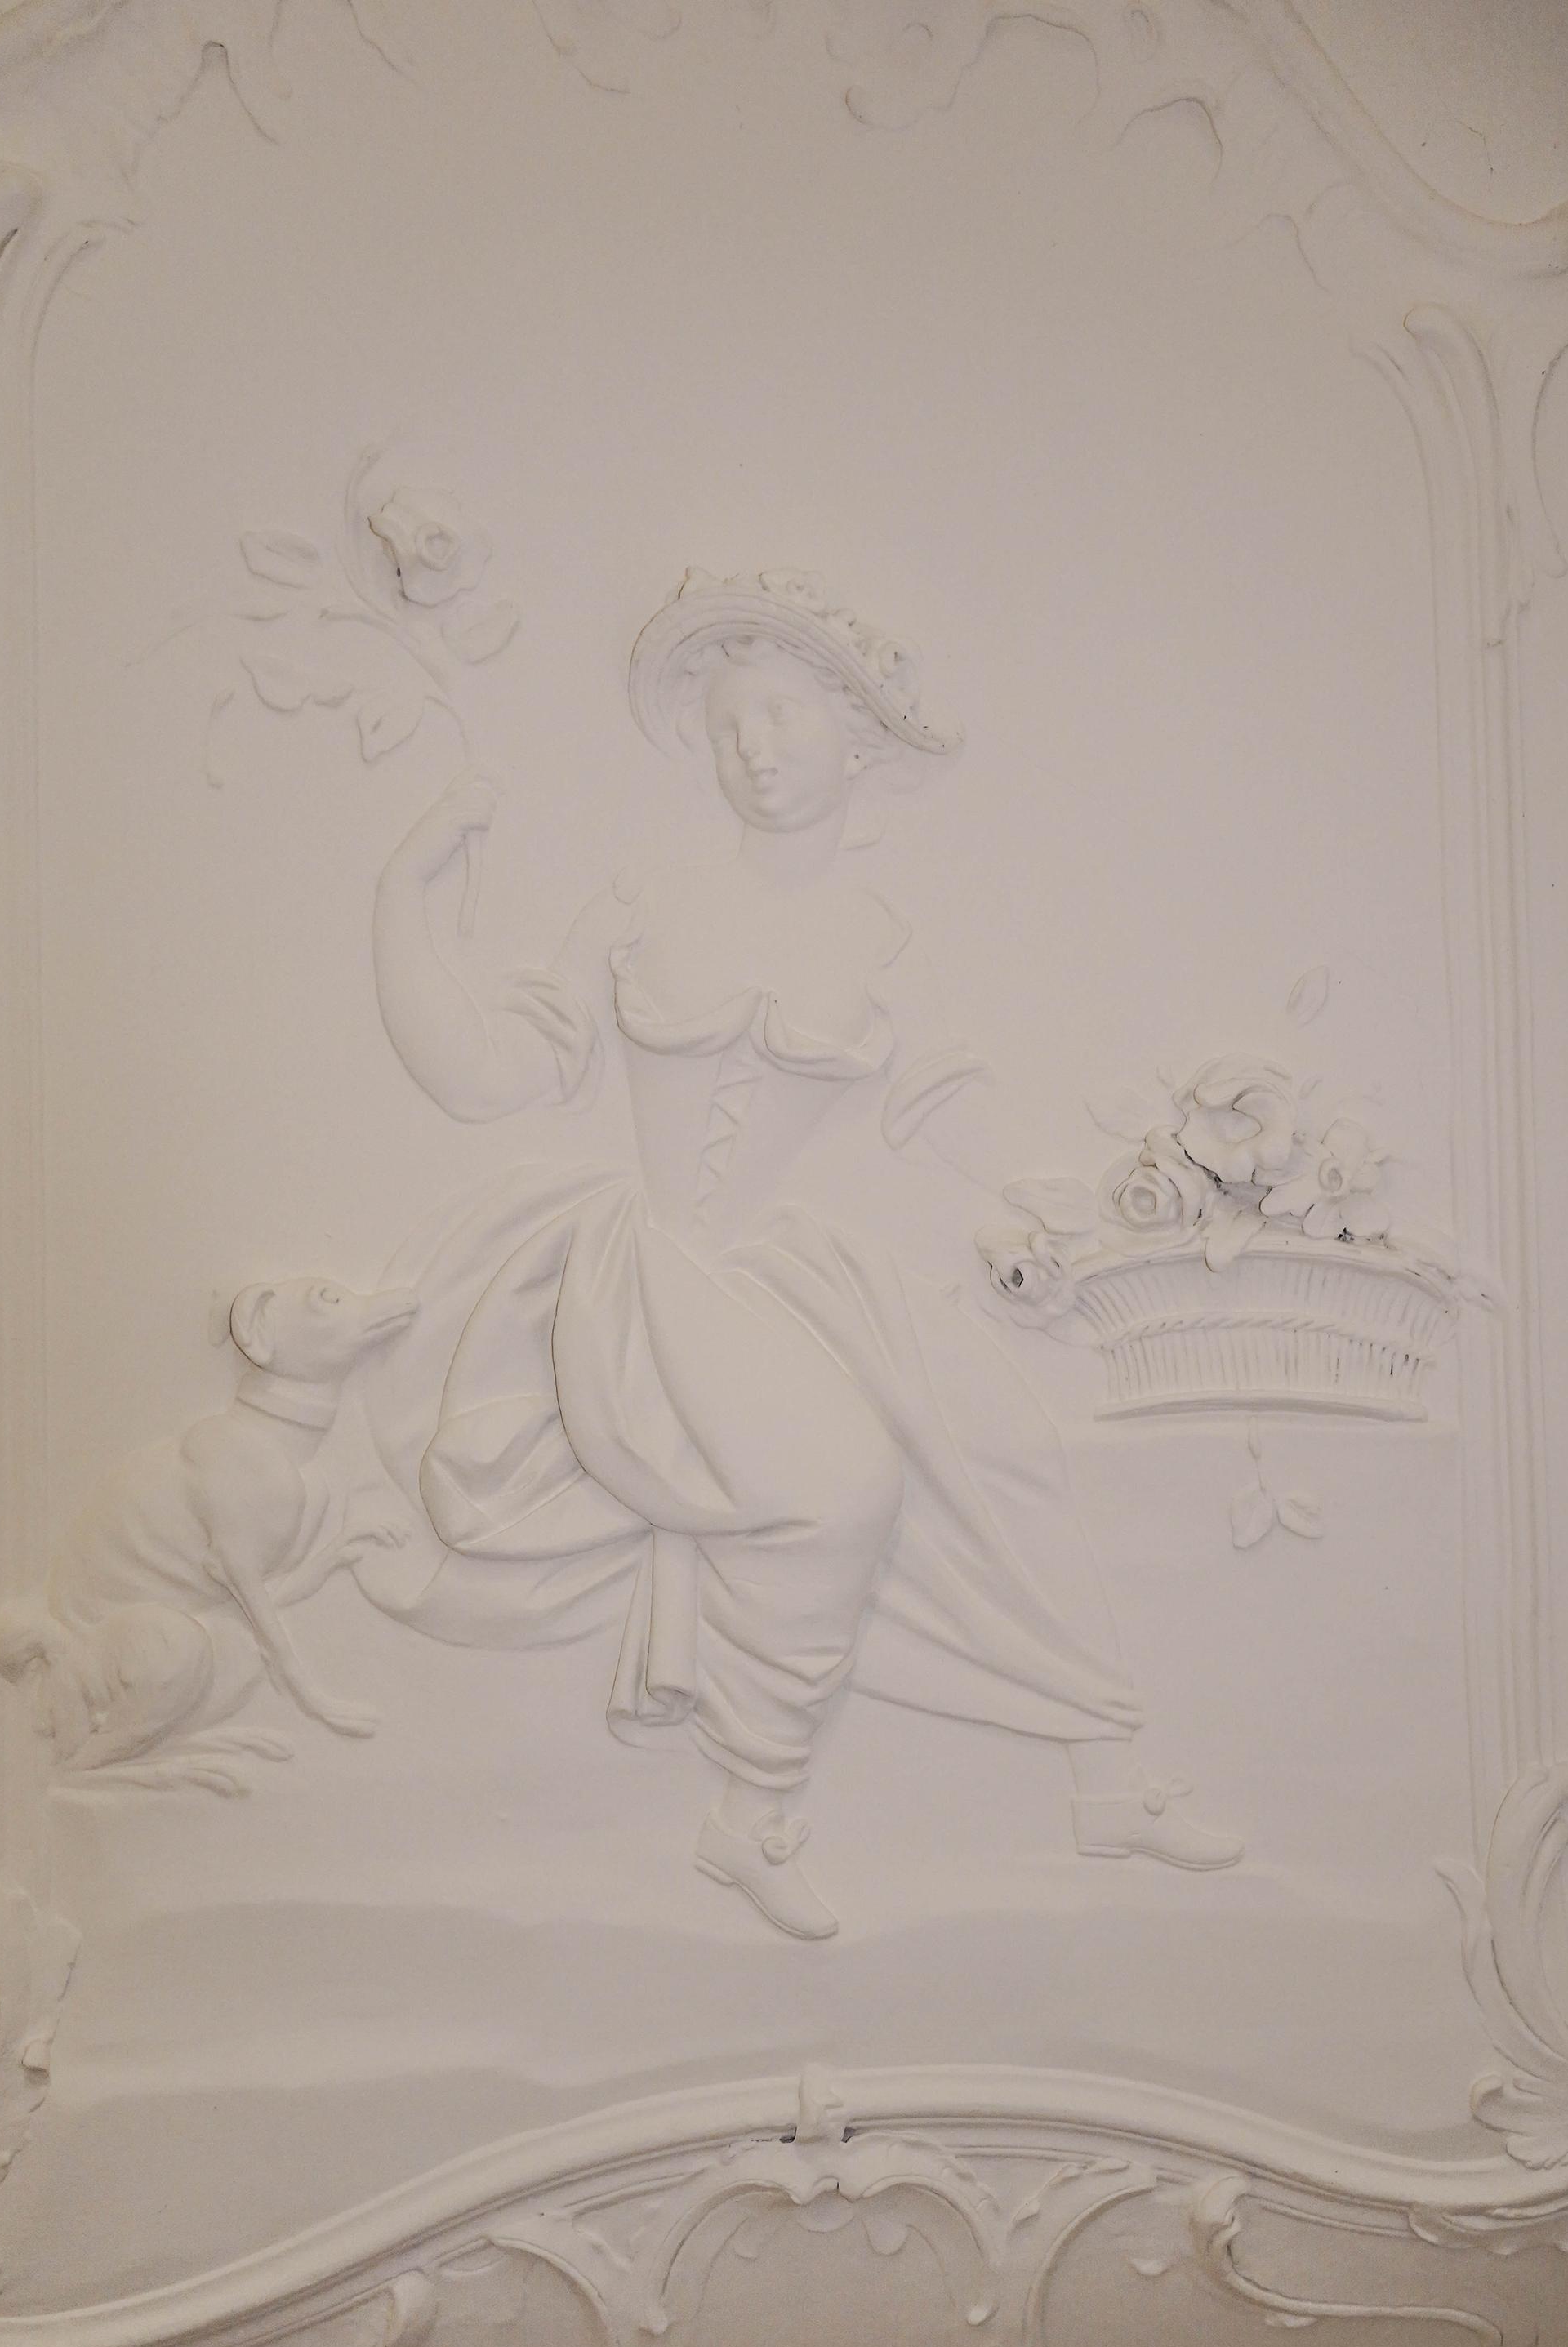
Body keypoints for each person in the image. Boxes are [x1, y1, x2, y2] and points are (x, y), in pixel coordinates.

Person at [366, 568, 1241, 1939]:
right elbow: (490, 1075)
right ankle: (751, 1813)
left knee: (996, 1448)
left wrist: (1052, 1210)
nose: (755, 751)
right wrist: (405, 895)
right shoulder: (643, 903)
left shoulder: (882, 936)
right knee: (837, 1486)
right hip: (651, 1275)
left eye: (780, 717)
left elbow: (946, 1111)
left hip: (778, 1269)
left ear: (857, 737)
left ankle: (1108, 1778)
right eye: (729, 727)